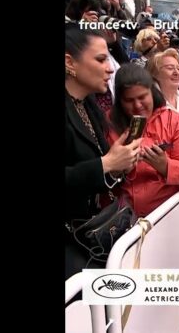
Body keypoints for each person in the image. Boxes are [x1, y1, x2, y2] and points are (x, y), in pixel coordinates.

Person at [65, 28, 141, 280]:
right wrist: (106, 164)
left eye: (108, 58)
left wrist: (119, 165)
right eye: (100, 59)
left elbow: (98, 168)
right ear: (69, 62)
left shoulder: (90, 105)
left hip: (88, 237)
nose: (110, 68)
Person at [107, 64, 179, 217]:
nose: (137, 106)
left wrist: (165, 166)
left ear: (152, 93)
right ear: (119, 101)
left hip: (166, 217)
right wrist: (117, 168)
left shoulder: (173, 120)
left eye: (142, 97)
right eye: (129, 100)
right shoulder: (109, 123)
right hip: (123, 222)